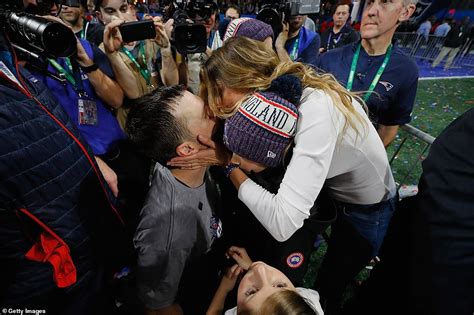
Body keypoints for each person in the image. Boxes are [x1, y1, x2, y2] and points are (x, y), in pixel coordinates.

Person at [169, 36, 397, 313]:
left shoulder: (314, 109)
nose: (216, 104)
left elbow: (282, 222)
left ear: (248, 79)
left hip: (368, 206)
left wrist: (229, 164)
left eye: (219, 90)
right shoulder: (280, 103)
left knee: (334, 278)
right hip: (336, 190)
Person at [0, 1, 125, 313]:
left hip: (97, 182)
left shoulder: (29, 60)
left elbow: (118, 98)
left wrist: (87, 61)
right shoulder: (25, 64)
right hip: (55, 268)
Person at [126, 86, 222, 315]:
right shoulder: (168, 230)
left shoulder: (188, 164)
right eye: (207, 114)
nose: (216, 110)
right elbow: (160, 307)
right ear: (187, 149)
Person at [316, 0, 419, 147]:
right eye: (370, 3)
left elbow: (389, 127)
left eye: (384, 2)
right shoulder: (329, 58)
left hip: (353, 162)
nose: (371, 11)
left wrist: (363, 163)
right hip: (316, 152)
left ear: (405, 12)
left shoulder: (405, 71)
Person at [96, 0, 179, 127]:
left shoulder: (150, 38)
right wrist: (113, 55)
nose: (119, 17)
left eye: (123, 9)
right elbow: (133, 93)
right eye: (110, 11)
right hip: (131, 126)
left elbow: (172, 83)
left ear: (132, 10)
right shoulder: (102, 51)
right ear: (100, 16)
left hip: (162, 120)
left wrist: (166, 49)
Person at [207, 246, 324, 315]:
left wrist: (223, 289)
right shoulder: (307, 302)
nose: (260, 268)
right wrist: (250, 266)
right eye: (280, 285)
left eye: (252, 292)